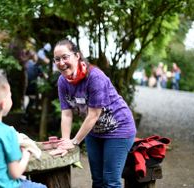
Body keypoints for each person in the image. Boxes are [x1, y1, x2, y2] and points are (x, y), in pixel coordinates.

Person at [51, 39, 136, 188]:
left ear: (77, 56)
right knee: (97, 180)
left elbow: (93, 115)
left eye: (65, 57)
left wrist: (74, 141)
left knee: (110, 181)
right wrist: (65, 142)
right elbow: (66, 114)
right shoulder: (62, 81)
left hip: (119, 129)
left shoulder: (95, 77)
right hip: (94, 131)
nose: (61, 62)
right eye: (57, 59)